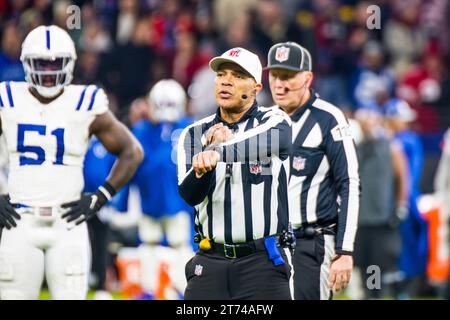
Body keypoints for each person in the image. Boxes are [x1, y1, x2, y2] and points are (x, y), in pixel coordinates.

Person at [0, 25, 143, 300]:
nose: (49, 71)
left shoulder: (84, 101)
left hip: (67, 223)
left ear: (70, 64)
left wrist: (101, 197)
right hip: (20, 218)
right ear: (27, 64)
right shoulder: (8, 98)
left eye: (56, 63)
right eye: (41, 63)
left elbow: (132, 151)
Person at [177, 47, 293, 300]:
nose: (227, 81)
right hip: (210, 260)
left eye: (239, 75)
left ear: (256, 88)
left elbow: (272, 139)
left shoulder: (274, 120)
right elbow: (189, 194)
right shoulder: (194, 133)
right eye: (222, 74)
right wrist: (204, 166)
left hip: (262, 263)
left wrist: (218, 151)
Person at [266, 42, 360, 300]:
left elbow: (349, 183)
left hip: (311, 242)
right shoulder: (265, 119)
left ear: (307, 77)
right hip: (267, 244)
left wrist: (345, 250)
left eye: (288, 76)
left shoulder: (330, 118)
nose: (279, 84)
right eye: (274, 75)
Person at [120, 79, 195, 299]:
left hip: (178, 200)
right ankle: (149, 290)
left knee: (180, 245)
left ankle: (181, 289)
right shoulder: (143, 129)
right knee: (150, 244)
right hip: (151, 200)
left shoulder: (189, 128)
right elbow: (134, 163)